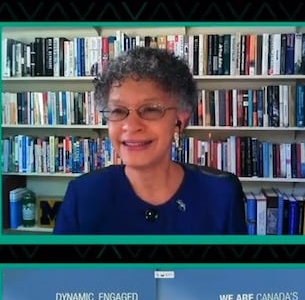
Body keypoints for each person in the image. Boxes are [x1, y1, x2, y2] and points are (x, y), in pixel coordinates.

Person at [53, 47, 247, 235]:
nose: (131, 125)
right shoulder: (83, 195)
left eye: (151, 109)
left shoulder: (222, 194)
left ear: (180, 120)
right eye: (118, 111)